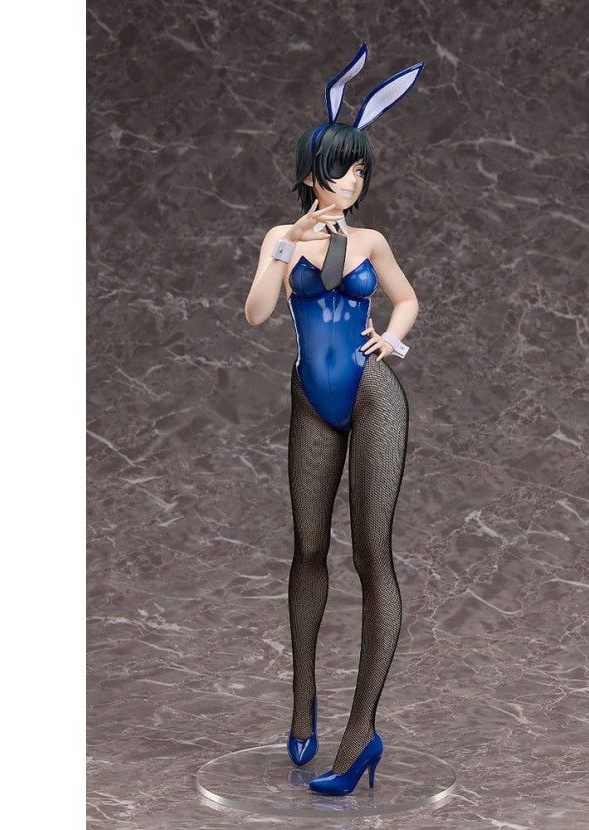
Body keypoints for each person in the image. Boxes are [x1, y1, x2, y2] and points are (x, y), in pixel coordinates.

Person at [244, 44, 423, 796]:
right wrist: (284, 248)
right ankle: (302, 701)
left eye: (358, 173)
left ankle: (360, 736)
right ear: (311, 172)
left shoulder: (371, 241)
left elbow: (406, 298)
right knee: (308, 549)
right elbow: (257, 314)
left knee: (372, 555)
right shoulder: (282, 241)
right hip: (311, 397)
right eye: (340, 170)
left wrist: (394, 339)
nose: (351, 183)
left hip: (372, 392)